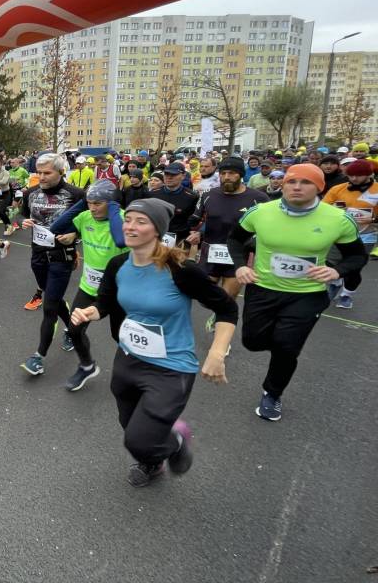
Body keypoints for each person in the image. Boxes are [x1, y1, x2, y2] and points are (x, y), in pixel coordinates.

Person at [71, 198, 237, 487]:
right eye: (128, 220)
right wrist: (90, 312)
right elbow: (104, 304)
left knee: (138, 439)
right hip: (129, 358)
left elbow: (227, 308)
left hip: (171, 366)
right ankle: (153, 462)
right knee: (130, 424)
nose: (130, 226)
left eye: (141, 221)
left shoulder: (179, 269)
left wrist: (217, 352)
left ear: (157, 229)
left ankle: (175, 441)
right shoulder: (118, 264)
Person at [228, 163, 367, 421]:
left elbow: (357, 256)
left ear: (319, 187)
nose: (297, 187)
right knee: (252, 341)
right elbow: (235, 240)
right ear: (283, 185)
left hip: (308, 294)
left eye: (306, 182)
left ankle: (272, 394)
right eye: (292, 181)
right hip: (263, 289)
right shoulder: (260, 212)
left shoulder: (337, 219)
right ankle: (280, 339)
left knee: (287, 348)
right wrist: (240, 266)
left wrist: (336, 271)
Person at [22, 180, 127, 389]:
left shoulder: (122, 219)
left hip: (118, 291)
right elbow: (56, 227)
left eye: (98, 203)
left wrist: (114, 207)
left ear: (112, 203)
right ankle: (87, 366)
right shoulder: (85, 216)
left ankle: (133, 370)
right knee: (74, 330)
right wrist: (82, 203)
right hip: (89, 287)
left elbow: (120, 240)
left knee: (119, 335)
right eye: (90, 203)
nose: (93, 208)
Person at [186, 157, 269, 330]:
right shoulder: (209, 195)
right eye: (223, 173)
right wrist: (197, 233)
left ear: (241, 175)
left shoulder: (258, 198)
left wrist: (254, 242)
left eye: (231, 173)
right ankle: (219, 312)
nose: (226, 177)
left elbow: (267, 227)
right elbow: (196, 219)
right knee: (204, 295)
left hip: (238, 256)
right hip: (210, 252)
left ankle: (221, 329)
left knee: (227, 298)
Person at [19, 153, 85, 350]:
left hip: (62, 256)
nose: (41, 177)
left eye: (47, 173)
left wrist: (75, 234)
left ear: (61, 172)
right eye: (39, 172)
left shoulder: (76, 194)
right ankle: (72, 329)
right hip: (38, 254)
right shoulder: (30, 193)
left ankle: (40, 355)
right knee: (52, 297)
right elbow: (22, 215)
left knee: (49, 306)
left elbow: (90, 223)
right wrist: (23, 221)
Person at [322, 158, 377, 309]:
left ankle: (346, 295)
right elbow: (322, 208)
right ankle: (335, 282)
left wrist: (373, 218)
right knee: (330, 264)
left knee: (354, 268)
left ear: (369, 174)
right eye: (350, 175)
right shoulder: (338, 189)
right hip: (338, 235)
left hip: (365, 236)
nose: (354, 178)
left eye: (358, 175)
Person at [146, 162, 199, 247]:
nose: (169, 177)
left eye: (173, 174)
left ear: (183, 176)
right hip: (156, 238)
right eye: (166, 174)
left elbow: (193, 221)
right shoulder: (153, 194)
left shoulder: (192, 197)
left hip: (180, 240)